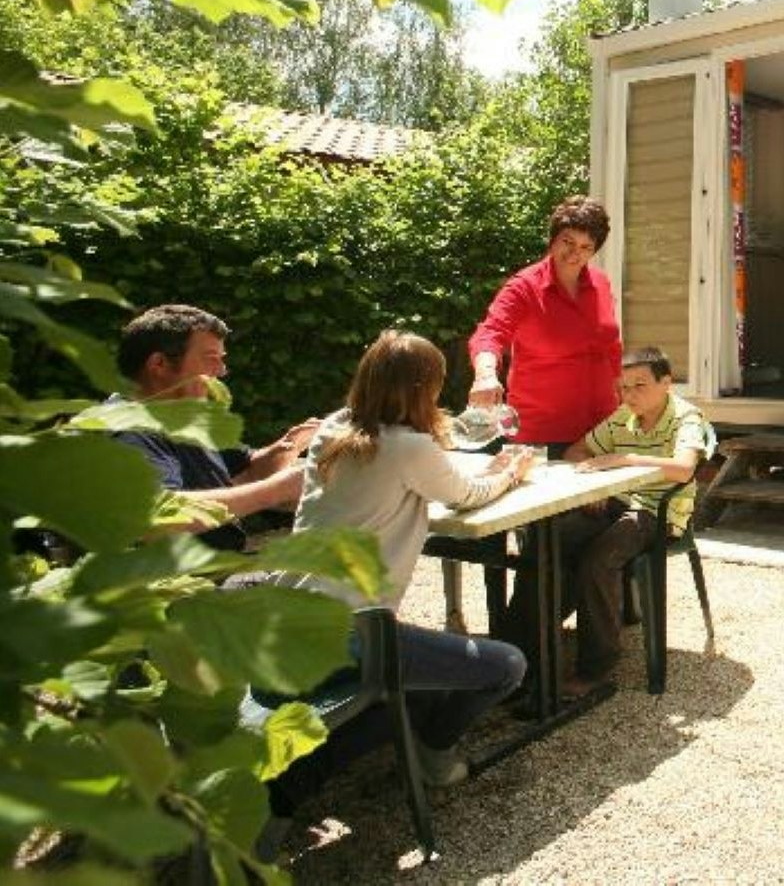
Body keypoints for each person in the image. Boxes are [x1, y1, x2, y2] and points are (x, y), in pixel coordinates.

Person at [272, 330, 531, 787]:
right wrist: (511, 472)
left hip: (286, 615)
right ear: (424, 388)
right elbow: (468, 494)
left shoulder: (336, 427)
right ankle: (433, 756)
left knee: (426, 675)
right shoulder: (409, 448)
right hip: (350, 635)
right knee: (507, 665)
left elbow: (426, 445)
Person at [512, 347, 712, 693]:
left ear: (666, 383)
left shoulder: (686, 418)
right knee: (547, 541)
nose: (630, 395)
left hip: (656, 512)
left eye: (640, 385)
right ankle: (519, 650)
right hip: (615, 502)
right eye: (624, 387)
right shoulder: (623, 416)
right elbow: (577, 451)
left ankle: (596, 667)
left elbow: (683, 469)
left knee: (598, 559)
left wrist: (624, 459)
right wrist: (597, 484)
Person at [105, 304, 315, 548]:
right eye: (211, 359)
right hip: (182, 583)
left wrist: (291, 445)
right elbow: (153, 517)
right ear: (159, 364)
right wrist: (276, 491)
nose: (222, 371)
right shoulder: (127, 431)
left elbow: (246, 473)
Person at [467, 195, 623, 452]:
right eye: (568, 242)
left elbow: (611, 347)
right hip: (541, 434)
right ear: (553, 240)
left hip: (602, 428)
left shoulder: (601, 283)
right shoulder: (524, 287)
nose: (575, 253)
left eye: (586, 247)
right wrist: (485, 375)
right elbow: (490, 333)